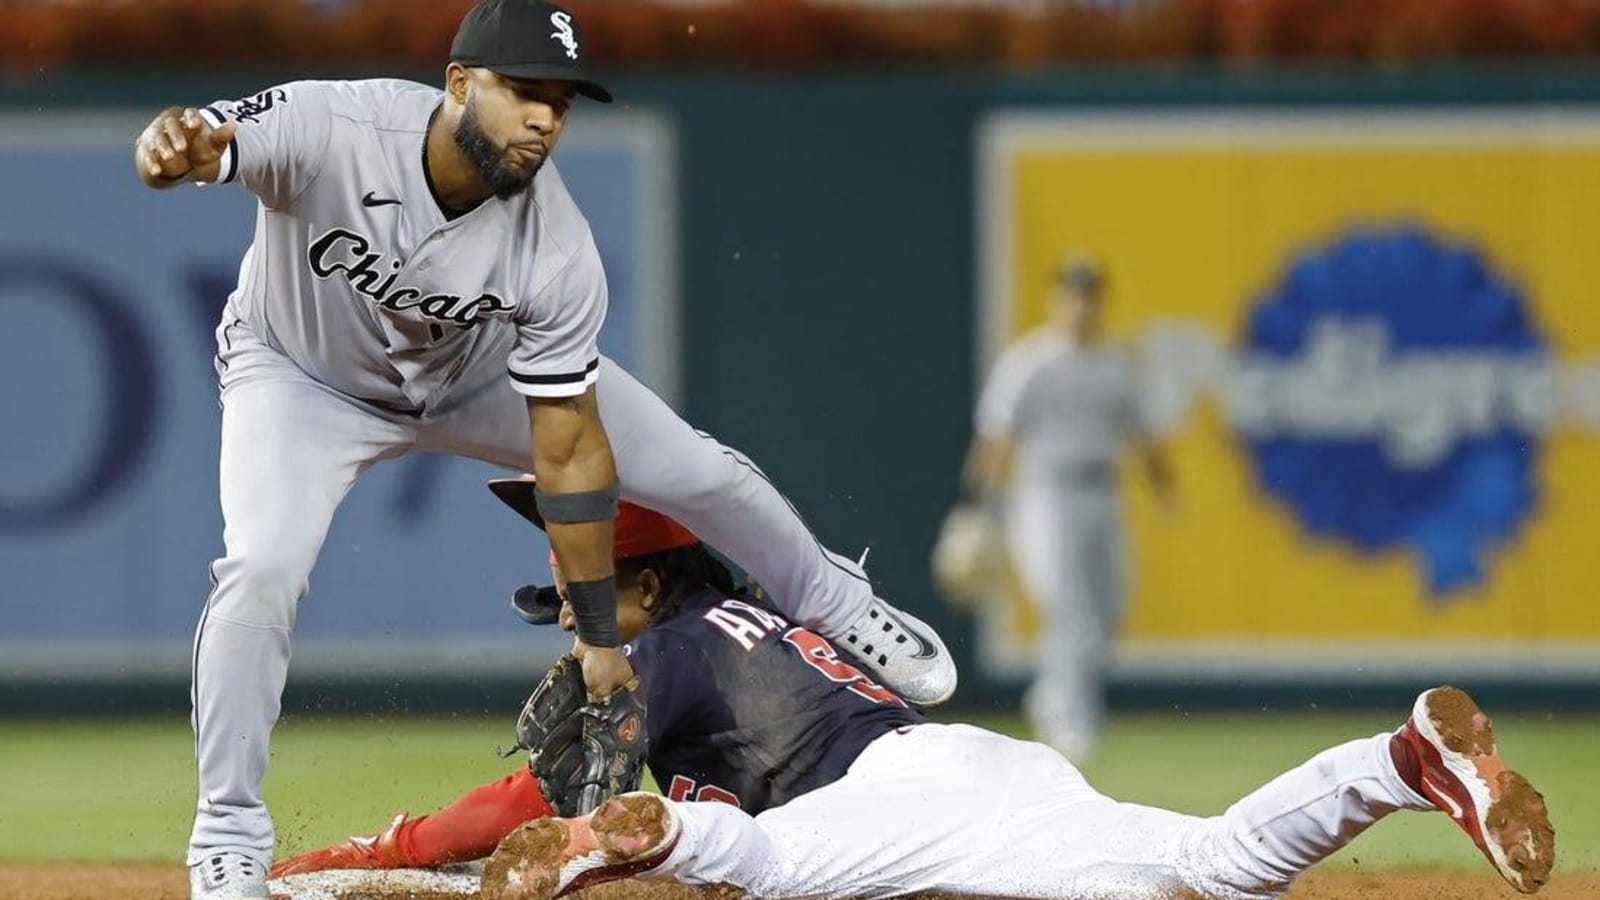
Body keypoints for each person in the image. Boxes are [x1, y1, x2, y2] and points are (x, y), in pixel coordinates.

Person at [131, 2, 954, 896]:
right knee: (261, 566)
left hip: (475, 372)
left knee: (700, 472)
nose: (543, 119)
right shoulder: (337, 124)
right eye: (523, 91)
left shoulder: (555, 242)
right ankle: (228, 834)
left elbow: (568, 453)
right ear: (457, 83)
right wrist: (172, 146)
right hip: (300, 375)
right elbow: (201, 143)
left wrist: (602, 642)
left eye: (560, 103)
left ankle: (839, 602)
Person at [272, 505, 1554, 900]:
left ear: (645, 577)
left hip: (872, 812)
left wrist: (375, 854)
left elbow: (515, 800)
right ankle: (1396, 761)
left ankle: (659, 840)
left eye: (577, 586)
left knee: (753, 863)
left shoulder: (659, 652)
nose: (564, 609)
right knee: (1205, 870)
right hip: (977, 774)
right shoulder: (758, 621)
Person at [960, 251, 1173, 760]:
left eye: (1090, 294)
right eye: (1072, 293)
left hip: (1103, 494)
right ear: (1055, 299)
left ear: (1101, 301)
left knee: (1110, 606)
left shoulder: (1115, 364)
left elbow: (1143, 434)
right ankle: (1067, 713)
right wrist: (976, 506)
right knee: (1068, 607)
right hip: (1044, 496)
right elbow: (995, 436)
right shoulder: (1031, 360)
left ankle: (1055, 698)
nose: (1081, 305)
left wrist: (1165, 489)